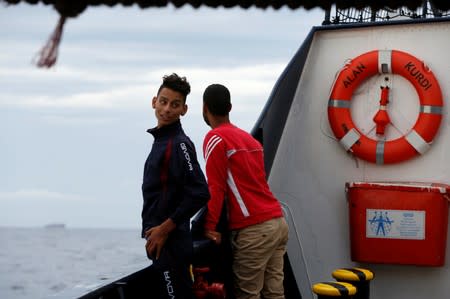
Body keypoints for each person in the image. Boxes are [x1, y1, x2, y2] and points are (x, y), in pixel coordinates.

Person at [201, 83, 289, 299]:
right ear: (230, 107)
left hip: (254, 230)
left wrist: (210, 227)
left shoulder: (215, 138)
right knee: (274, 294)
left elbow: (216, 186)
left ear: (204, 108)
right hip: (277, 223)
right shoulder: (250, 140)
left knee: (247, 295)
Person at [141, 73, 210, 299]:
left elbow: (200, 192)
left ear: (184, 109)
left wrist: (163, 230)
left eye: (175, 104)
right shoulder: (161, 141)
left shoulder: (179, 144)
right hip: (161, 244)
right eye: (163, 101)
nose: (167, 109)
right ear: (154, 101)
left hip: (172, 244)